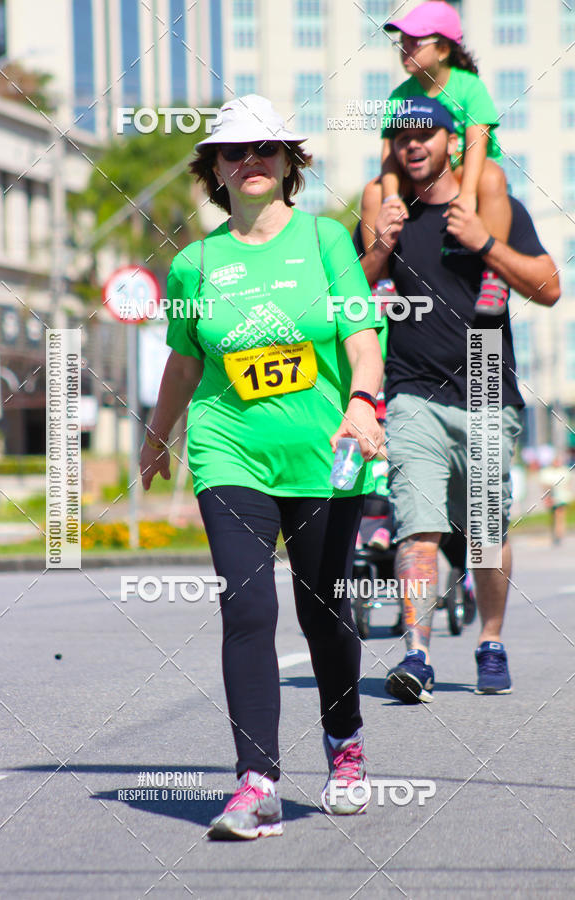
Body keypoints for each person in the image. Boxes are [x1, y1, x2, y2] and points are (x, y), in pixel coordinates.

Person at [140, 94, 386, 838]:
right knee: (247, 608)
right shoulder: (196, 262)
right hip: (229, 449)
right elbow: (185, 364)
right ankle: (257, 784)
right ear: (213, 168)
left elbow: (362, 334)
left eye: (265, 150)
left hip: (327, 451)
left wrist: (365, 402)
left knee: (324, 611)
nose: (250, 162)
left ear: (289, 163)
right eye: (233, 152)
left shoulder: (324, 242)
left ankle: (344, 745)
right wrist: (157, 437)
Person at [357, 96, 559, 703]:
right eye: (401, 136)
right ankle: (416, 654)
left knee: (484, 533)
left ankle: (489, 641)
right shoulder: (389, 214)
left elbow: (549, 287)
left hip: (487, 390)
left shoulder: (493, 209)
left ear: (452, 142)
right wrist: (378, 249)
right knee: (416, 530)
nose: (413, 144)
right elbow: (344, 298)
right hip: (412, 391)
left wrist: (484, 243)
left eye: (427, 134)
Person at [363, 0, 511, 315]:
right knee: (374, 192)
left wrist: (469, 194)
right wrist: (391, 199)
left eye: (415, 42)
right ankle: (382, 283)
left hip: (466, 172)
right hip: (422, 180)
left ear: (443, 49)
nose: (405, 48)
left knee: (493, 176)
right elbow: (390, 156)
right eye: (402, 42)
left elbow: (477, 142)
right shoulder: (400, 96)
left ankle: (495, 277)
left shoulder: (469, 87)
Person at [540, 454, 572, 544]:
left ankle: (559, 533)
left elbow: (568, 484)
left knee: (560, 514)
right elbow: (544, 485)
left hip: (561, 497)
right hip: (551, 497)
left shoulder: (564, 470)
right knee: (553, 516)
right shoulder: (547, 471)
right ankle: (555, 532)